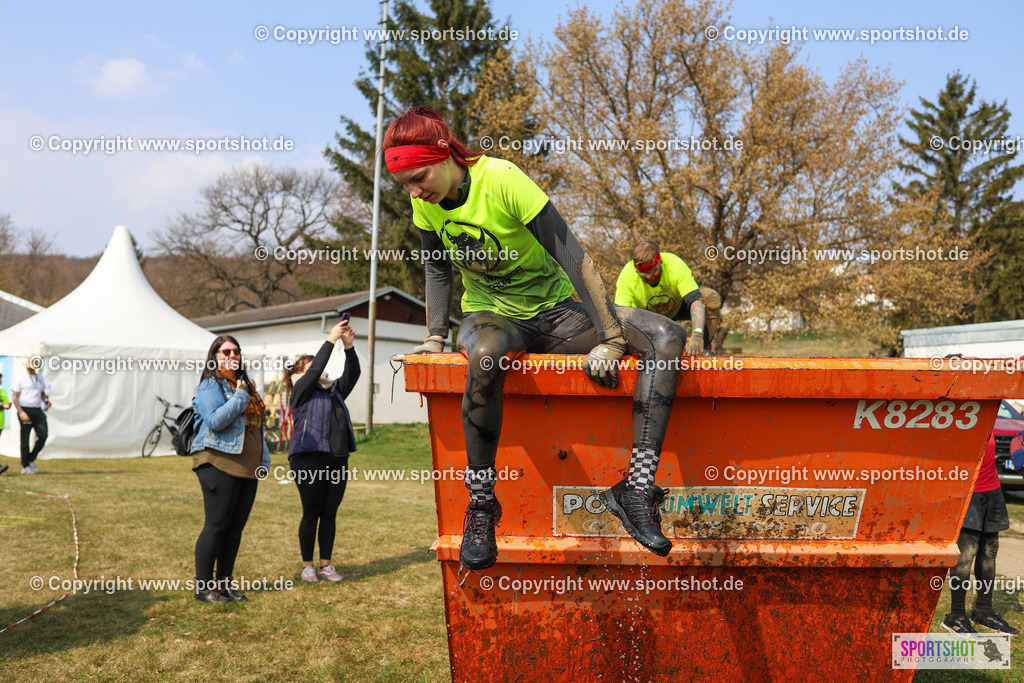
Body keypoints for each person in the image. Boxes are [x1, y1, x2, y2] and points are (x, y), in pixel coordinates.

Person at [386, 105, 688, 570]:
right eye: (405, 184)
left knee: (667, 334)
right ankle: (482, 503)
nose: (414, 191)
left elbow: (572, 253)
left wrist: (611, 336)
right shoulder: (423, 201)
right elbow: (436, 267)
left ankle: (637, 488)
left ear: (444, 153)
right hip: (492, 317)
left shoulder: (502, 179)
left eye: (419, 177)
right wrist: (433, 338)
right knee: (485, 354)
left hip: (558, 313)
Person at [190, 336, 270, 603]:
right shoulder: (210, 384)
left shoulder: (246, 385)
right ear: (215, 355)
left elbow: (257, 428)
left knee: (235, 528)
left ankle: (224, 585)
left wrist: (263, 460)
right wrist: (239, 396)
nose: (232, 354)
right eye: (226, 351)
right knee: (217, 525)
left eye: (236, 351)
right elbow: (215, 421)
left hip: (248, 468)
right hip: (218, 463)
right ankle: (203, 587)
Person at [285, 319, 360, 583]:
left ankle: (326, 565)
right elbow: (316, 368)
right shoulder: (301, 391)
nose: (317, 370)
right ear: (300, 373)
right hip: (308, 459)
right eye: (310, 367)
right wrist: (330, 340)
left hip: (337, 459)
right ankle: (308, 566)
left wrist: (348, 347)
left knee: (329, 513)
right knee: (311, 511)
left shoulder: (335, 391)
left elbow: (353, 374)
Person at [942, 433, 1019, 635]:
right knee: (966, 555)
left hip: (992, 489)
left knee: (990, 552)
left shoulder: (993, 408)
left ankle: (983, 611)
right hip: (969, 490)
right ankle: (955, 616)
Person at [614, 240, 723, 353]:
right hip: (646, 317)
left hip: (677, 307)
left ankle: (702, 349)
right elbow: (620, 314)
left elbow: (695, 301)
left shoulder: (674, 264)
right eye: (644, 273)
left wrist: (697, 334)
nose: (649, 276)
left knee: (711, 298)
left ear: (659, 261)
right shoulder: (627, 274)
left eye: (654, 270)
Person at [12, 358, 51, 474]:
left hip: (37, 410)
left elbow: (42, 393)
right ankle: (25, 465)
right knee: (25, 439)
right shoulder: (20, 378)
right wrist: (21, 412)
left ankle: (30, 458)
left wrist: (46, 400)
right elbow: (15, 397)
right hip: (25, 409)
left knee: (43, 435)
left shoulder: (39, 378)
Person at [0, 370, 11, 475]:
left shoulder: (3, 392)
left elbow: (6, 403)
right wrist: (3, 406)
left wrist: (8, 405)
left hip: (0, 422)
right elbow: (3, 405)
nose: (1, 380)